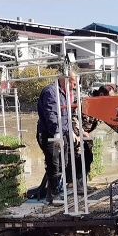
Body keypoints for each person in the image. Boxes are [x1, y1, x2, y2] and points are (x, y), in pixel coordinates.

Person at [37, 72, 77, 204]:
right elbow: (51, 114)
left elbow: (66, 114)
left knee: (63, 163)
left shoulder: (64, 93)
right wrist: (56, 134)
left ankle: (53, 192)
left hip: (62, 133)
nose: (74, 87)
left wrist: (71, 130)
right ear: (66, 80)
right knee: (54, 164)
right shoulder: (51, 92)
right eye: (73, 83)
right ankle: (53, 195)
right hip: (50, 135)